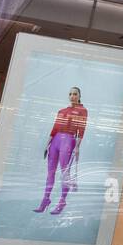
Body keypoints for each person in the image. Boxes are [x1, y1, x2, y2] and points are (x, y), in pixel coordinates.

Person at [35, 87, 88, 215]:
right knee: (50, 172)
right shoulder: (62, 111)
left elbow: (81, 129)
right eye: (70, 94)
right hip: (55, 141)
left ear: (79, 95)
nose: (72, 96)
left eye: (75, 94)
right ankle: (46, 199)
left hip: (68, 140)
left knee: (65, 173)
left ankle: (62, 201)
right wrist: (47, 144)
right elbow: (55, 128)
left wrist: (77, 147)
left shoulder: (82, 111)